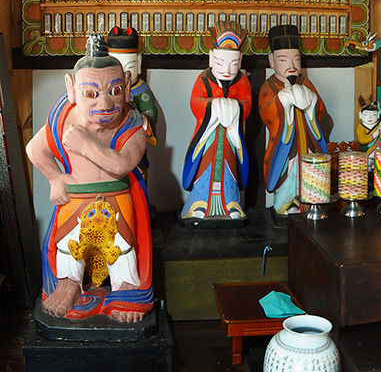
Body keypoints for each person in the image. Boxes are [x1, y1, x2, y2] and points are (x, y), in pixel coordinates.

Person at [32, 36, 156, 322]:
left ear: (127, 85)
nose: (105, 102)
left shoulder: (132, 124)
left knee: (122, 248)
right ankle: (70, 285)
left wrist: (86, 145)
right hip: (74, 197)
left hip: (116, 198)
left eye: (115, 90)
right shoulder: (63, 118)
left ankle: (125, 290)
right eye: (91, 93)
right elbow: (34, 150)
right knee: (69, 246)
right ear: (71, 88)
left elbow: (122, 164)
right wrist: (55, 178)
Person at [181, 21, 253, 223]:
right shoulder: (204, 79)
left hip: (231, 136)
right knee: (205, 167)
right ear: (211, 58)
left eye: (234, 63)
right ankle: (199, 203)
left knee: (230, 168)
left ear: (241, 60)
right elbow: (195, 102)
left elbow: (247, 104)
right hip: (209, 136)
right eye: (221, 63)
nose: (228, 70)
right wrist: (212, 105)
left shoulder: (242, 81)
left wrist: (235, 107)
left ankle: (231, 203)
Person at [258, 25, 329, 215]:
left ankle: (309, 202)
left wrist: (311, 102)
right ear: (271, 60)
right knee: (288, 172)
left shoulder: (305, 82)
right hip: (285, 145)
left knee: (309, 172)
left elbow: (321, 111)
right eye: (283, 59)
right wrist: (282, 100)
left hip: (307, 143)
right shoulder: (269, 86)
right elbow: (265, 112)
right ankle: (286, 203)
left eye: (296, 59)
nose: (292, 65)